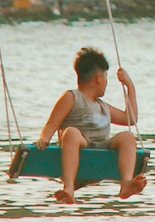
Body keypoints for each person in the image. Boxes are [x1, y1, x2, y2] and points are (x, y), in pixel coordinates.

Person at [32, 47, 146, 204]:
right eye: (106, 77)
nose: (106, 82)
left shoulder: (103, 106)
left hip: (101, 148)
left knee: (127, 136)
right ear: (99, 78)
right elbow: (52, 123)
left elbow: (130, 119)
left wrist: (130, 87)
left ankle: (126, 183)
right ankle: (69, 189)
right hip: (81, 146)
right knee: (71, 132)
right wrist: (44, 138)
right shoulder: (72, 97)